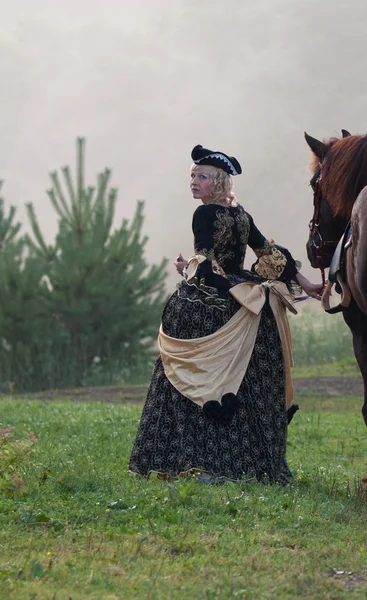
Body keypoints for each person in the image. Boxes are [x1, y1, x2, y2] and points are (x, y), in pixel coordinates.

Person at [128, 144, 323, 484]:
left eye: (201, 177)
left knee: (187, 373)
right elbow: (269, 253)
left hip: (216, 296)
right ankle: (251, 464)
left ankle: (195, 459)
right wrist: (305, 284)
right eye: (192, 176)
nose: (193, 182)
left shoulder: (203, 216)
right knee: (248, 382)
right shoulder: (242, 216)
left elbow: (205, 259)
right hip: (247, 296)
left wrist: (187, 271)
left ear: (217, 182)